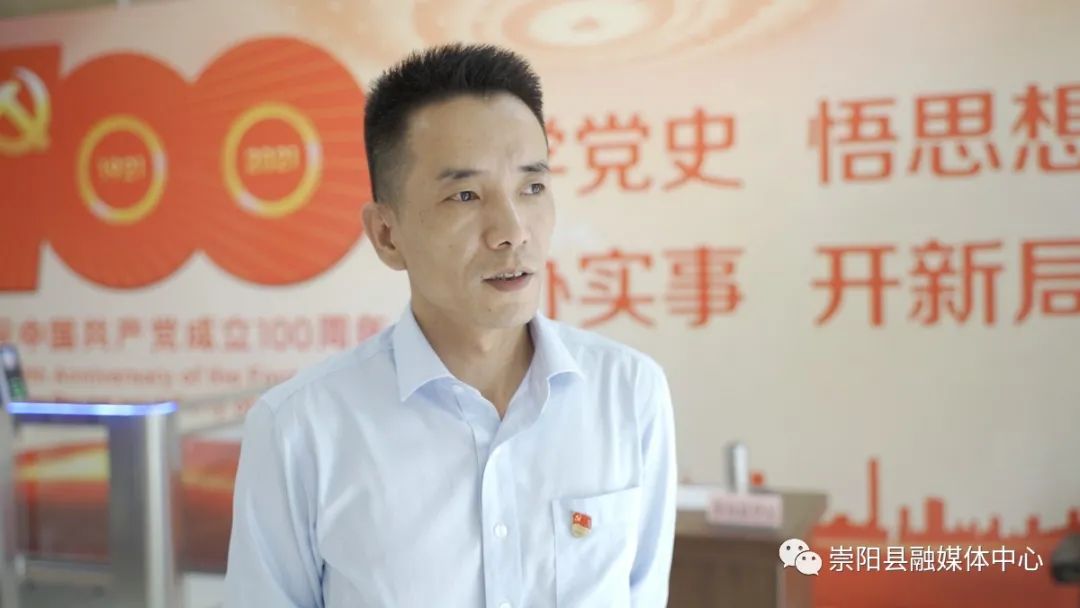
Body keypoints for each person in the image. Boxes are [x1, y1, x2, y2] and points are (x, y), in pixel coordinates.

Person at [224, 43, 677, 608]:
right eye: (465, 195)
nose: (512, 231)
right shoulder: (302, 429)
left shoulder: (628, 392)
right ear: (387, 235)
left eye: (532, 188)